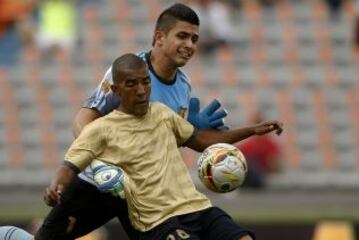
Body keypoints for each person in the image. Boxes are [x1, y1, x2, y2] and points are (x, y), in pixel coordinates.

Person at [35, 3, 229, 240]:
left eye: (194, 39)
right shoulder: (127, 72)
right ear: (159, 37)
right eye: (182, 36)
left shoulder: (183, 85)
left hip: (142, 194)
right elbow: (84, 118)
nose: (190, 45)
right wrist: (102, 166)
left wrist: (192, 134)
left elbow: (157, 141)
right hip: (98, 185)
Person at [44, 53, 283, 240]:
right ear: (115, 90)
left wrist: (252, 130)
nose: (141, 90)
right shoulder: (100, 129)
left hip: (197, 208)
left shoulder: (161, 113)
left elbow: (200, 141)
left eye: (145, 82)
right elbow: (68, 168)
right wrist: (55, 188)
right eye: (131, 84)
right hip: (159, 221)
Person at [235, 112, 282, 189]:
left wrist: (270, 164)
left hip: (261, 177)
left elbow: (276, 166)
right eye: (257, 123)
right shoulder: (246, 145)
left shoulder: (270, 145)